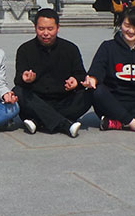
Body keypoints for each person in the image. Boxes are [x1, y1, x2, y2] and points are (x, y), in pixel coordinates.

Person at [13, 9, 91, 137]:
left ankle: (38, 121)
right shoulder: (25, 49)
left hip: (63, 100)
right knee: (18, 91)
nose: (45, 33)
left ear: (58, 28)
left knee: (90, 93)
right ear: (35, 28)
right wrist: (25, 79)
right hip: (36, 100)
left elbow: (81, 75)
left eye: (50, 29)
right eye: (41, 29)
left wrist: (75, 82)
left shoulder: (70, 49)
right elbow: (18, 80)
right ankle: (65, 125)